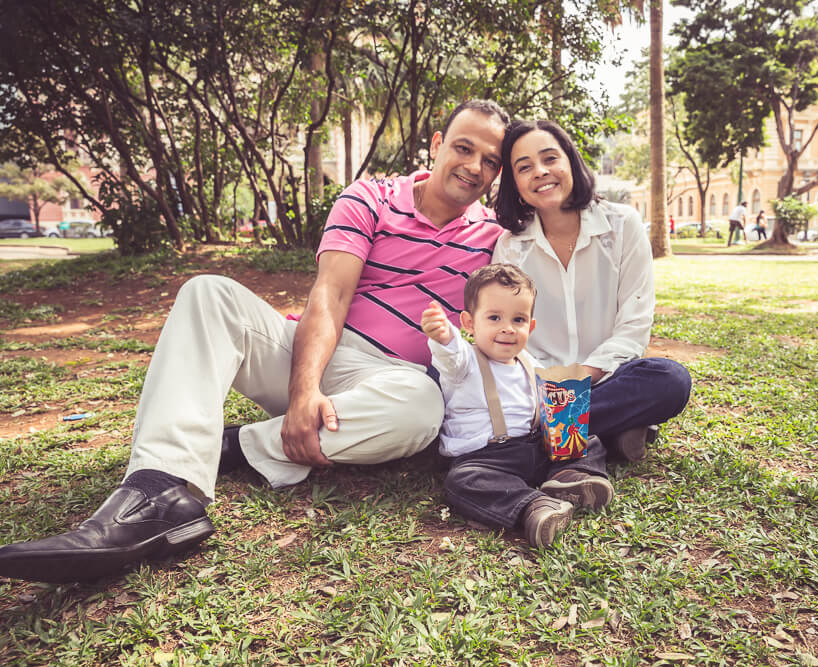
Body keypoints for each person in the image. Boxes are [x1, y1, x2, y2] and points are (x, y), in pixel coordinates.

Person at [0, 99, 510, 583]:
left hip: (387, 379)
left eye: (490, 160)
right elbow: (329, 295)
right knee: (208, 294)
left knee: (422, 409)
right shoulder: (371, 197)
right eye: (464, 147)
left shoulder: (496, 239)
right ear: (438, 143)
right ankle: (156, 490)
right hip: (309, 348)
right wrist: (304, 390)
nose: (473, 166)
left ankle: (234, 446)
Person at [493, 120, 691, 463]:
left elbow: (633, 327)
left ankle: (546, 439)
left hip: (607, 382)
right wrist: (548, 386)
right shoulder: (510, 248)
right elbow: (506, 332)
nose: (540, 172)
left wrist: (580, 377)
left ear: (570, 161)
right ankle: (608, 432)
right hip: (538, 389)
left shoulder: (623, 225)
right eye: (524, 167)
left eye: (550, 158)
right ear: (515, 184)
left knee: (670, 379)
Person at [422, 264, 613, 548]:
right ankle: (533, 507)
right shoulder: (465, 364)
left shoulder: (528, 361)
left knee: (587, 439)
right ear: (470, 323)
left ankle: (569, 477)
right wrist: (444, 336)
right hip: (485, 459)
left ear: (531, 326)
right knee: (461, 482)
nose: (508, 328)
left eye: (519, 319)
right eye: (494, 317)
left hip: (533, 447)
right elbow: (452, 354)